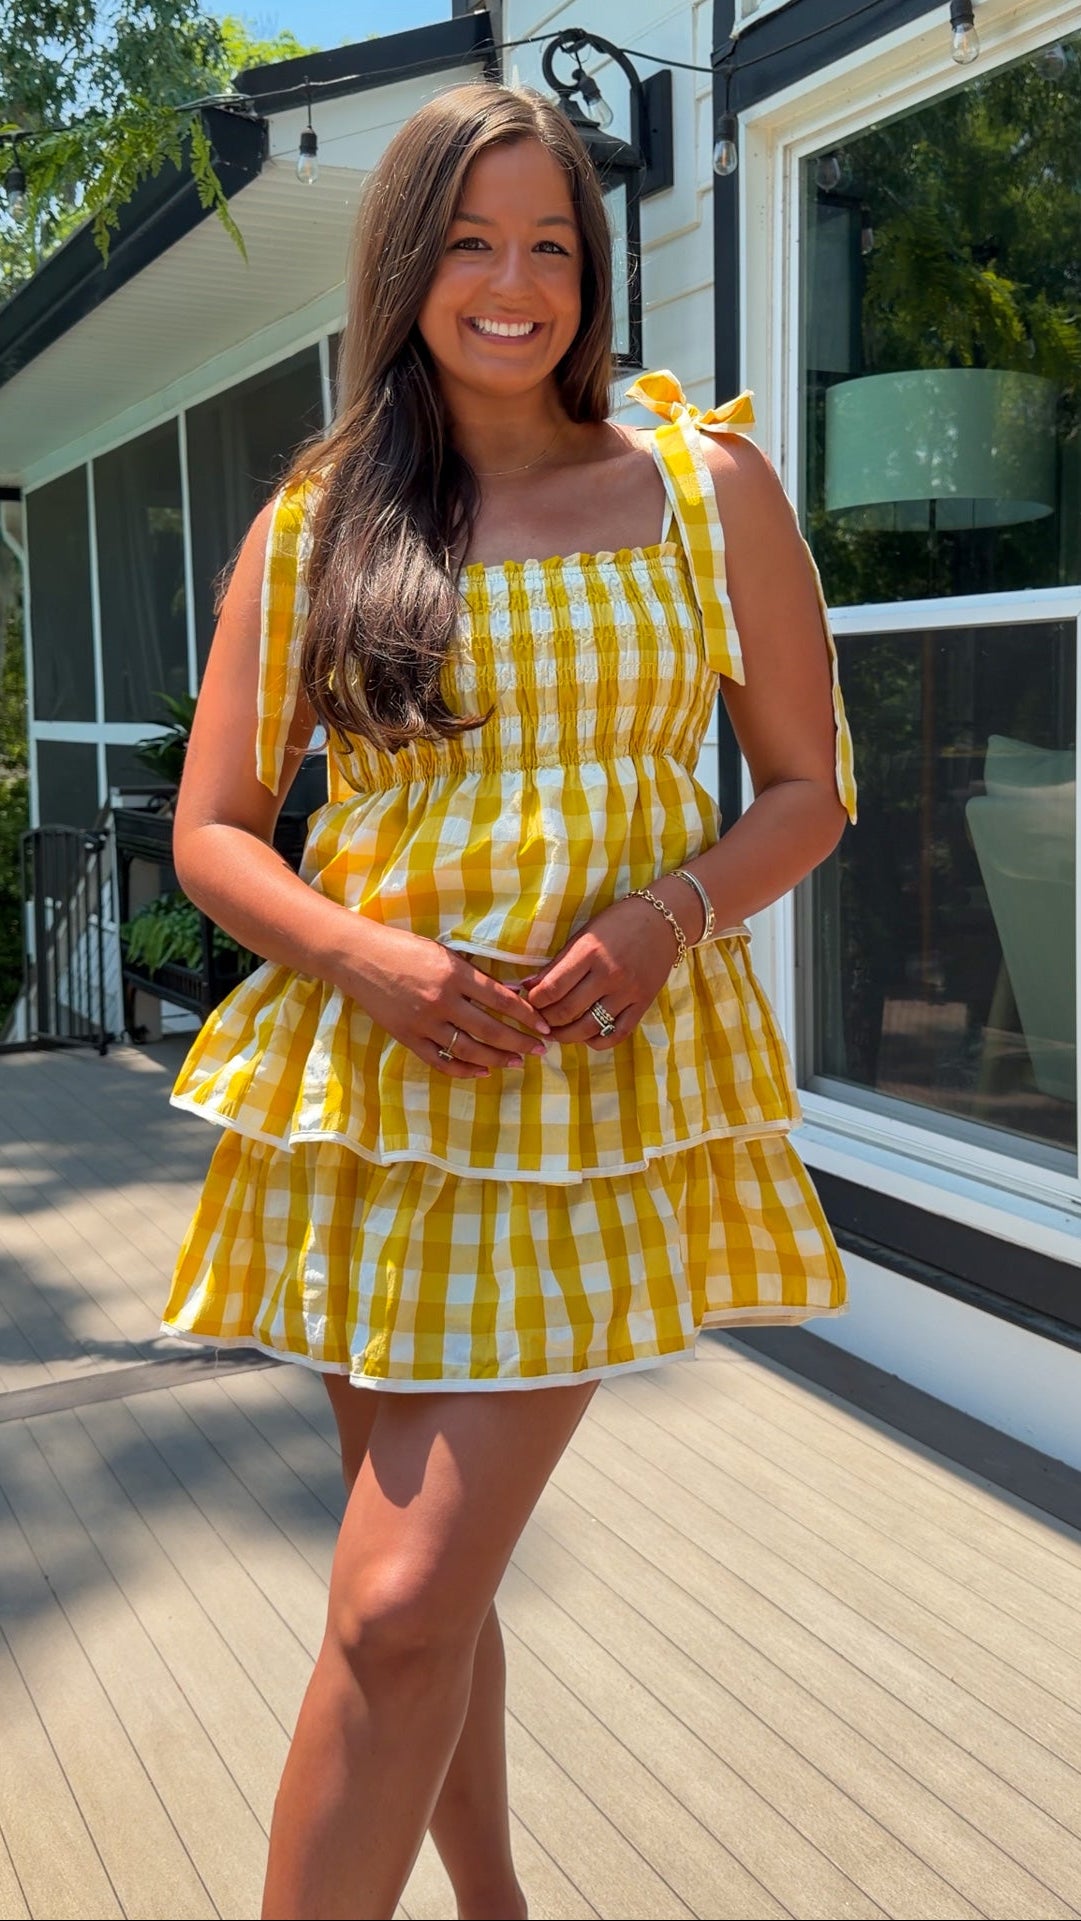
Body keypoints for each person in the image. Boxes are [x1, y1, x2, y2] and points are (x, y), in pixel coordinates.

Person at [162, 80, 857, 1921]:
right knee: (419, 1608)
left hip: (581, 1098)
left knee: (392, 1604)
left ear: (593, 270)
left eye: (551, 244)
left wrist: (665, 918)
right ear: (404, 269)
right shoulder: (323, 520)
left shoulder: (701, 486)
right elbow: (216, 833)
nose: (513, 282)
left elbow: (807, 786)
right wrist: (359, 954)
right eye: (470, 241)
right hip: (378, 1096)